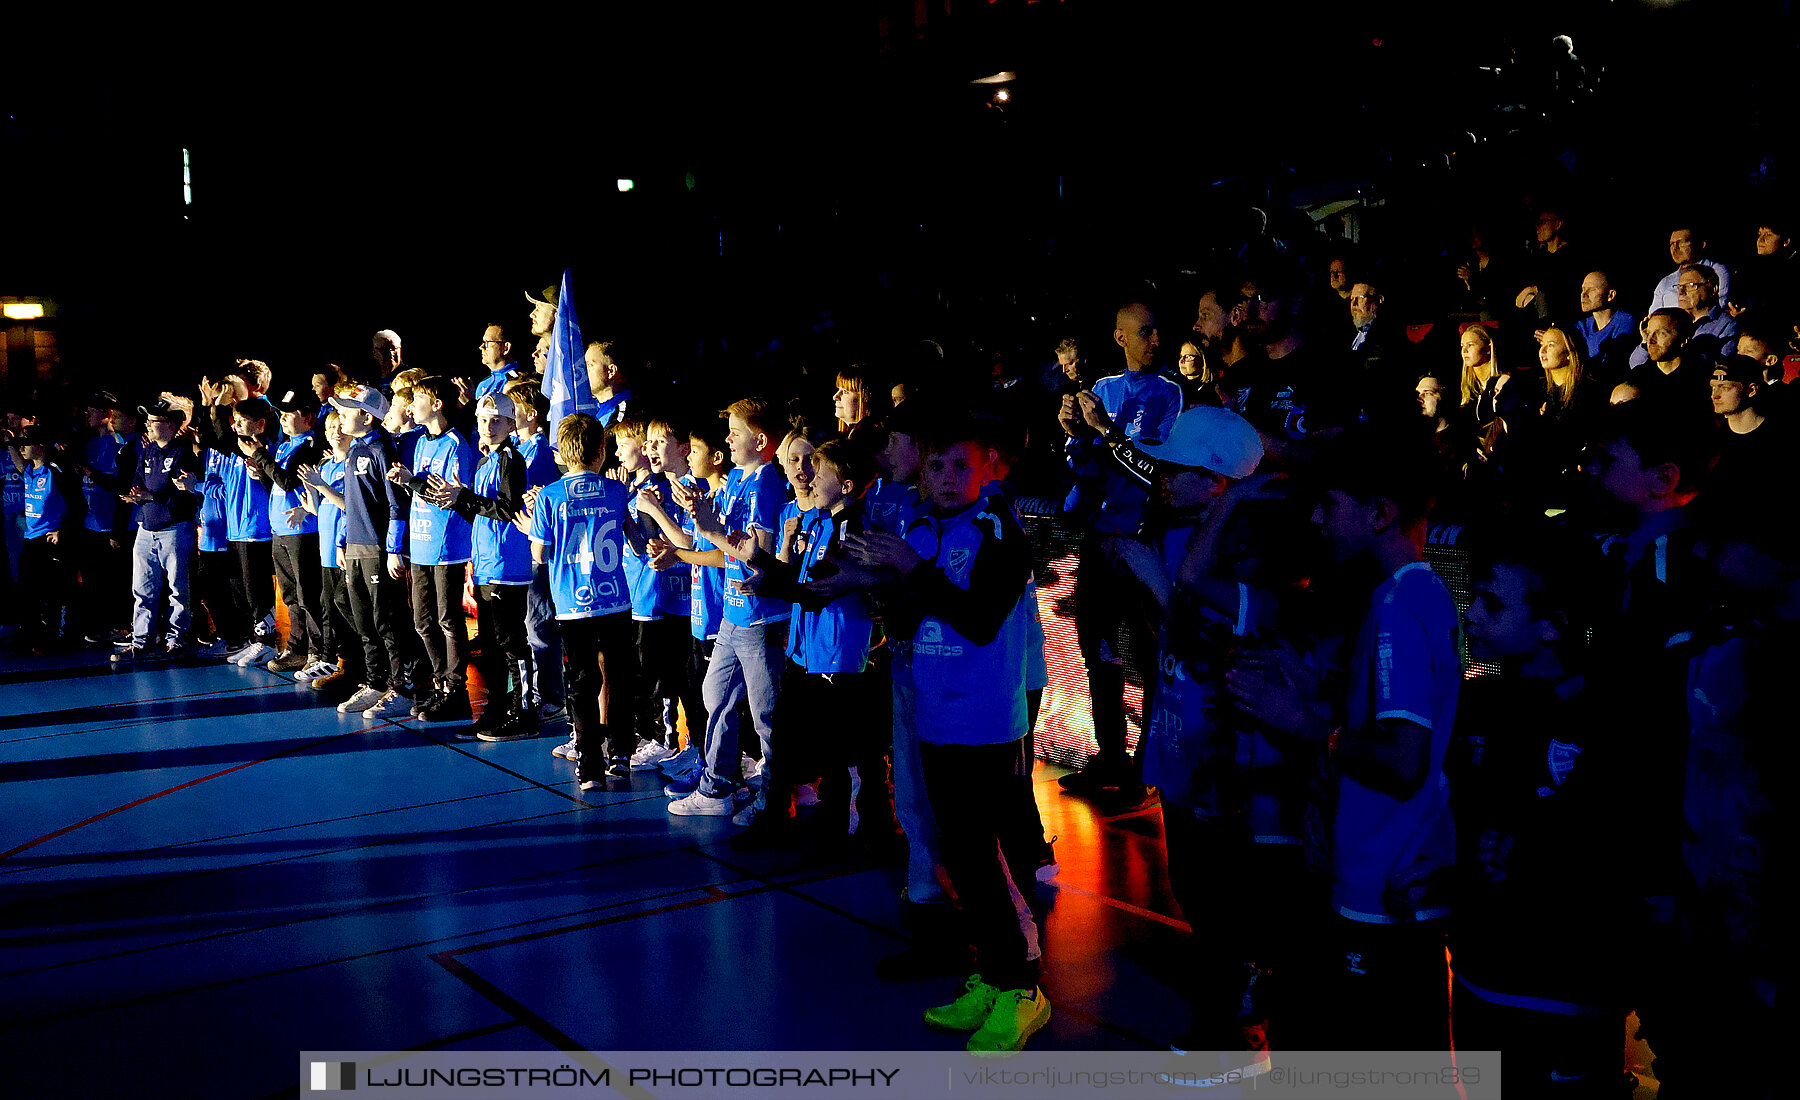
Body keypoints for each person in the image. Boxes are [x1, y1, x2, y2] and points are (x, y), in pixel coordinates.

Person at [1229, 427, 1460, 1052]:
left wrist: (1299, 722)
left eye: (1330, 503)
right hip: (1386, 870)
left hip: (1381, 882)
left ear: (1380, 513)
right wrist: (1308, 686)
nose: (1317, 517)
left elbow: (1403, 759)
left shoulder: (1399, 607)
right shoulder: (1412, 595)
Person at [836, 418, 1050, 1053]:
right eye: (938, 467)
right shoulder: (924, 528)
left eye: (963, 466)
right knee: (960, 854)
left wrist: (910, 568)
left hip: (985, 721)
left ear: (986, 469)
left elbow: (981, 619)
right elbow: (911, 612)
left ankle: (1024, 989)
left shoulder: (999, 530)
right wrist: (874, 582)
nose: (949, 479)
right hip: (934, 713)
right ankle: (992, 972)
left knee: (987, 860)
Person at [1448, 524, 1638, 1093]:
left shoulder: (1608, 716)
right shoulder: (1478, 699)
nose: (1471, 615)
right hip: (1482, 968)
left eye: (1492, 602)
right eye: (1472, 597)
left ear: (1552, 625)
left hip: (1568, 984)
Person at [1056, 301, 1182, 805]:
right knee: (1097, 654)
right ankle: (1109, 756)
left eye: (1158, 331)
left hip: (1140, 542)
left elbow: (1155, 471)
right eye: (1145, 332)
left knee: (1144, 658)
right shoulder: (1103, 389)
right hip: (1098, 538)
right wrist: (1071, 434)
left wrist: (1106, 432)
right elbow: (1083, 467)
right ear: (1120, 337)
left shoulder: (1172, 393)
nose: (1155, 340)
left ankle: (1142, 767)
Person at [665, 397, 789, 817]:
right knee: (714, 694)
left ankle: (776, 797)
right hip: (732, 615)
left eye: (735, 432)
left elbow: (758, 552)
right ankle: (718, 786)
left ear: (760, 439)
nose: (728, 439)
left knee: (765, 716)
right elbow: (717, 533)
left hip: (759, 617)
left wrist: (710, 529)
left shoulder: (767, 482)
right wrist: (698, 511)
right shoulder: (736, 477)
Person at [527, 413, 636, 792]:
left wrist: (531, 529)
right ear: (601, 450)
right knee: (619, 677)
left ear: (561, 452)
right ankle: (621, 755)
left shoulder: (549, 495)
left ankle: (589, 764)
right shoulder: (616, 491)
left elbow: (539, 554)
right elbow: (632, 536)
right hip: (616, 600)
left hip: (574, 604)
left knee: (582, 682)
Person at [422, 391, 535, 740]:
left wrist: (464, 497)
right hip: (486, 564)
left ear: (511, 424)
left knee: (511, 644)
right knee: (489, 645)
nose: (488, 426)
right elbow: (479, 511)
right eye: (483, 420)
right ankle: (497, 708)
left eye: (496, 420)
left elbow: (507, 508)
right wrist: (453, 500)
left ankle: (523, 711)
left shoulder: (510, 460)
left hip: (506, 565)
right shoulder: (486, 463)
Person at [388, 376, 478, 722]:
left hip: (446, 546)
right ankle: (440, 682)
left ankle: (456, 690)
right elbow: (420, 490)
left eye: (418, 399)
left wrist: (410, 480)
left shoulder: (455, 445)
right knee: (422, 620)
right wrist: (408, 480)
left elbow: (445, 497)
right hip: (421, 543)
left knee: (448, 619)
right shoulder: (423, 442)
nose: (411, 407)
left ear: (437, 403)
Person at [328, 383, 414, 720]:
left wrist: (393, 550)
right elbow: (350, 504)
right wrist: (342, 541)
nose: (341, 416)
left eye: (348, 411)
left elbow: (396, 505)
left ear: (366, 416)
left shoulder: (381, 451)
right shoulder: (352, 451)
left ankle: (403, 688)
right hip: (355, 548)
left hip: (378, 549)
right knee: (364, 621)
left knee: (387, 621)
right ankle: (376, 682)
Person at [113, 399, 205, 663]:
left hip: (175, 528)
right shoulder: (147, 450)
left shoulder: (183, 452)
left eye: (153, 422)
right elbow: (139, 480)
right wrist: (136, 494)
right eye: (148, 421)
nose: (148, 426)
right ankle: (141, 640)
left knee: (179, 588)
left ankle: (176, 639)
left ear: (170, 425)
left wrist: (150, 496)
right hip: (146, 526)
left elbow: (184, 494)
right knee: (141, 588)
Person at [242, 390, 327, 674]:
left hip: (303, 531)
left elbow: (290, 481)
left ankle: (318, 650)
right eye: (283, 413)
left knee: (309, 594)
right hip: (280, 529)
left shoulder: (311, 445)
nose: (285, 418)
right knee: (290, 594)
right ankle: (297, 646)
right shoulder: (284, 446)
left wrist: (261, 456)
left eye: (292, 414)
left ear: (309, 417)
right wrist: (261, 472)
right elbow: (276, 484)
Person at [11, 426, 81, 651]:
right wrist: (9, 442)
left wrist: (63, 531)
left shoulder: (55, 471)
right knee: (26, 590)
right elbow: (20, 464)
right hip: (31, 539)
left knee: (55, 593)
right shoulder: (30, 470)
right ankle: (32, 636)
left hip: (51, 540)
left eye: (27, 444)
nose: (22, 448)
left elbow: (78, 504)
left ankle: (56, 639)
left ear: (40, 446)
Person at [1647, 223, 1732, 314]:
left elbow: (1723, 307)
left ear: (1701, 244)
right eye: (1672, 244)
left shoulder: (1718, 272)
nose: (1675, 248)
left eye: (1681, 242)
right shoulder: (1666, 282)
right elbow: (1653, 314)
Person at [1573, 270, 1637, 380]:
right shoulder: (1582, 326)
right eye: (1583, 289)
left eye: (1591, 290)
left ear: (1610, 295)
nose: (1584, 295)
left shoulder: (1625, 322)